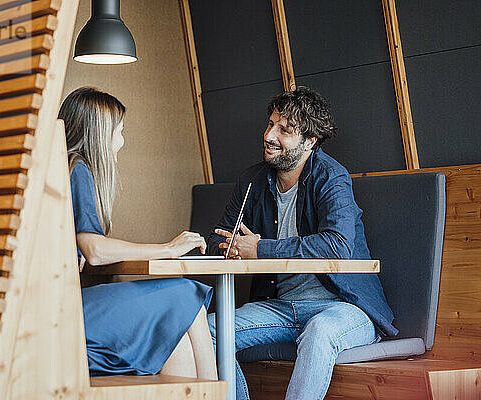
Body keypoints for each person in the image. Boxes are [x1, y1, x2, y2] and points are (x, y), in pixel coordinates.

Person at [207, 86, 397, 399]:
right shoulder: (252, 180)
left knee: (320, 331)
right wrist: (227, 247)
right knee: (206, 331)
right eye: (270, 125)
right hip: (281, 308)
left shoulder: (331, 176)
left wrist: (259, 249)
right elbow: (218, 235)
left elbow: (337, 245)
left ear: (310, 141)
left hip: (343, 306)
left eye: (285, 130)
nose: (270, 135)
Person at [59, 87, 217, 379]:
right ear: (100, 134)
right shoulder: (77, 169)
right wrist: (167, 249)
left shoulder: (60, 170)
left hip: (56, 308)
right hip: (63, 313)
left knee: (173, 335)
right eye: (120, 131)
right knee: (187, 293)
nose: (122, 141)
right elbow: (95, 250)